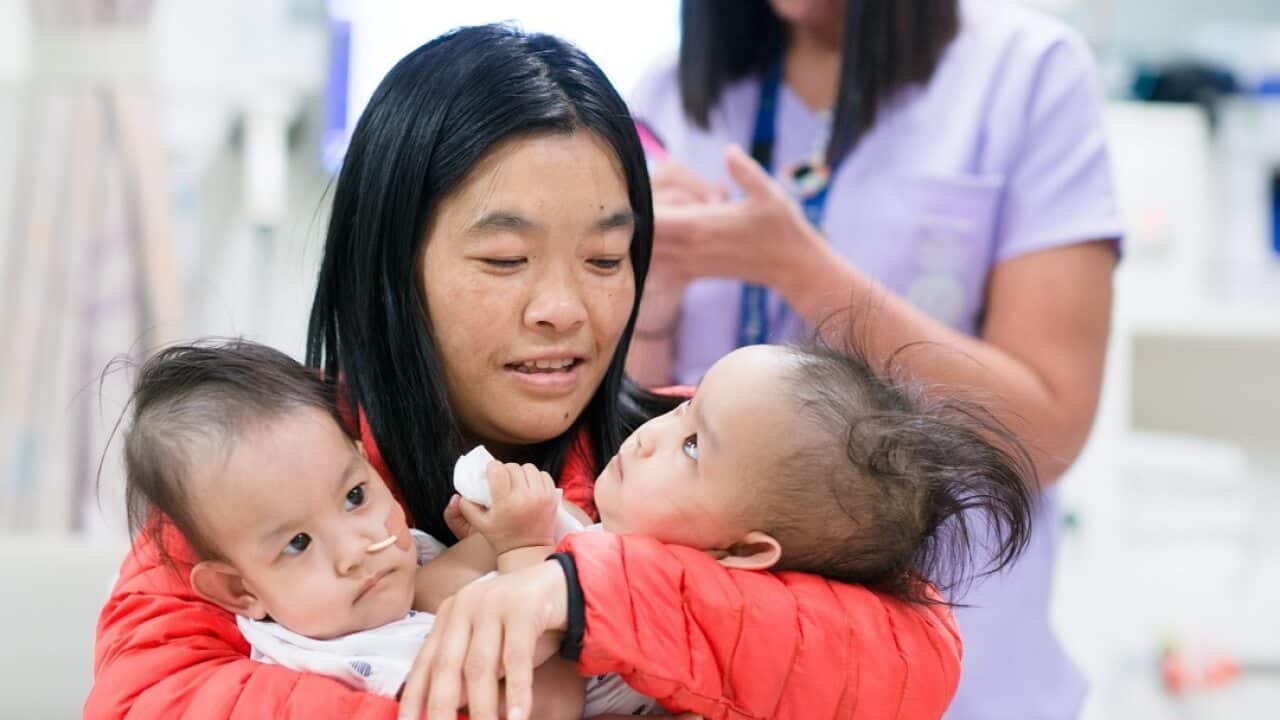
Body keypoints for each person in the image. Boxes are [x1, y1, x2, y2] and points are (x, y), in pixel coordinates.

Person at [87, 24, 963, 720]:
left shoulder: (692, 446)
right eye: (506, 260)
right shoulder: (260, 473)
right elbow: (145, 699)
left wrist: (576, 592)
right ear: (388, 266)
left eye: (607, 258)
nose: (564, 310)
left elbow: (913, 660)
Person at [623, 2, 1124, 718]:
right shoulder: (667, 101)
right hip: (700, 678)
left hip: (959, 682)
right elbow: (631, 440)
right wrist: (655, 305)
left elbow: (1049, 429)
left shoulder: (1027, 75)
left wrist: (799, 271)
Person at [426, 338, 1036, 719]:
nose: (649, 437)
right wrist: (498, 540)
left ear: (744, 551)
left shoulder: (678, 653)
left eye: (691, 448)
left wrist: (521, 551)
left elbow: (533, 695)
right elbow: (422, 594)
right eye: (682, 411)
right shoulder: (581, 529)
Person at [115, 340, 589, 717]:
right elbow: (549, 705)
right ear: (239, 589)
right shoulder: (355, 665)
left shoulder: (391, 589)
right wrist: (527, 554)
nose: (356, 549)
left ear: (371, 468)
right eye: (298, 543)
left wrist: (492, 536)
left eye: (355, 497)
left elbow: (574, 541)